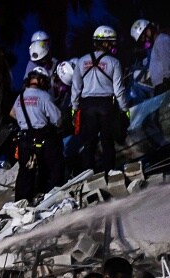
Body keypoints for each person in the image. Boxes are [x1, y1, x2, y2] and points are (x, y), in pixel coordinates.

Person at [71, 26, 129, 174]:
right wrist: (124, 110)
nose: (113, 46)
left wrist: (75, 108)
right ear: (106, 43)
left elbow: (76, 89)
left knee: (88, 144)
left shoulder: (81, 62)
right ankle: (109, 172)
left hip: (87, 106)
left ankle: (88, 175)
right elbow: (119, 90)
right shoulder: (114, 62)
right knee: (107, 142)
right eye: (111, 43)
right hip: (106, 106)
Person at [10, 66, 64, 203]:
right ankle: (53, 197)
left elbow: (12, 113)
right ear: (41, 81)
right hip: (43, 139)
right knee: (54, 166)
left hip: (24, 140)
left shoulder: (20, 97)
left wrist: (24, 121)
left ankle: (20, 204)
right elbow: (57, 120)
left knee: (25, 173)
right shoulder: (44, 96)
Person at [131, 19, 170, 96]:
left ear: (148, 31)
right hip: (159, 85)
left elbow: (167, 62)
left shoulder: (161, 40)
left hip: (164, 85)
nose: (144, 41)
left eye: (143, 38)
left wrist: (167, 82)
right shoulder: (156, 43)